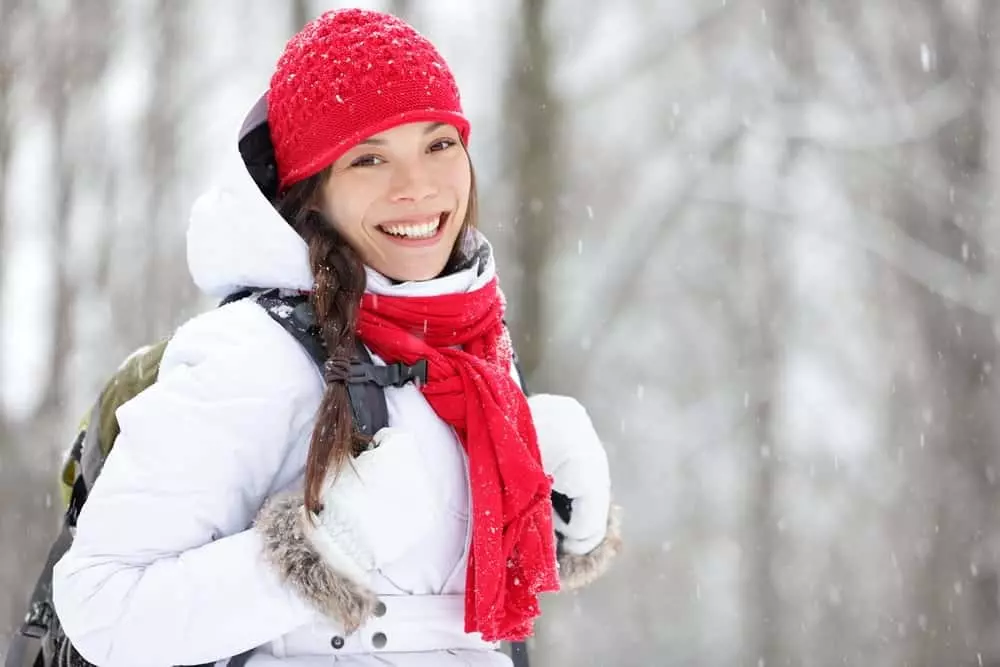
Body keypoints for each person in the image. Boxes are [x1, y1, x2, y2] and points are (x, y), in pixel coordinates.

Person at [51, 8, 620, 666]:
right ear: (311, 192)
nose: (418, 187)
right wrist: (325, 547)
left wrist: (555, 521)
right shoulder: (252, 355)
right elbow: (101, 603)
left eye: (439, 144)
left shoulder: (474, 349)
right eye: (370, 158)